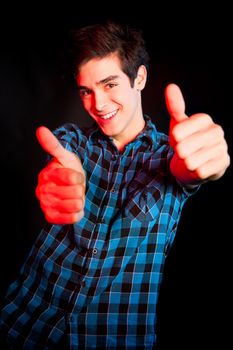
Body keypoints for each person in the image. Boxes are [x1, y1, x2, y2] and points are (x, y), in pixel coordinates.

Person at [0, 20, 230, 349]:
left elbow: (187, 170)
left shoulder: (171, 156)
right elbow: (57, 165)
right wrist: (56, 183)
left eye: (109, 85)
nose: (98, 104)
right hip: (23, 322)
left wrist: (206, 160)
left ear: (139, 78)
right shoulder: (71, 141)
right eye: (86, 91)